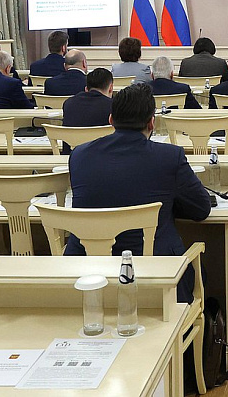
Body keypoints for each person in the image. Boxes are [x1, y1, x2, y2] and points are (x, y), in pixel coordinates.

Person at [67, 84, 211, 302]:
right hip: (156, 279)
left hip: (88, 276)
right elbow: (201, 209)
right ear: (152, 121)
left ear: (111, 119)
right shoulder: (169, 157)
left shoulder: (79, 155)